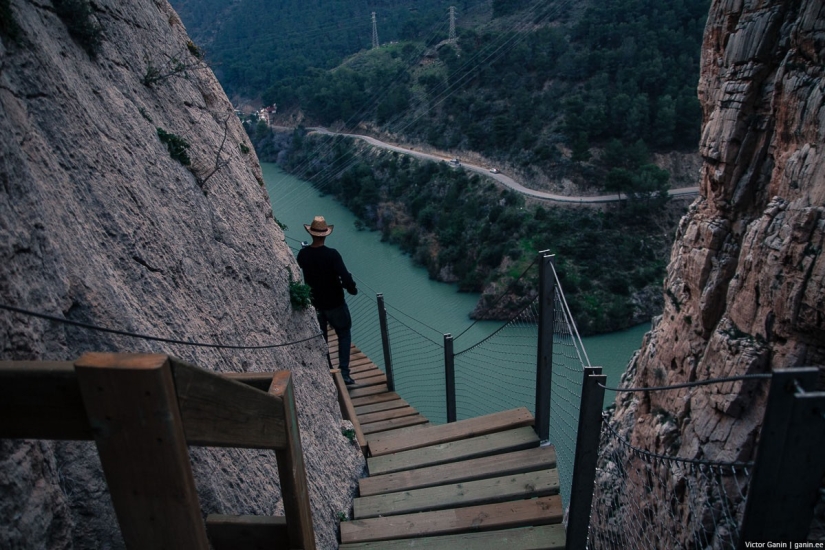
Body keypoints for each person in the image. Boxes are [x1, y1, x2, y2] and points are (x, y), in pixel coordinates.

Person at [296, 216, 358, 385]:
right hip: (335, 303)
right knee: (344, 334)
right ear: (325, 235)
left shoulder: (303, 254)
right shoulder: (332, 255)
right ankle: (344, 373)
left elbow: (298, 268)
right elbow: (345, 277)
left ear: (311, 234)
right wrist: (352, 288)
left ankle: (329, 371)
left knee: (322, 339)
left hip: (315, 305)